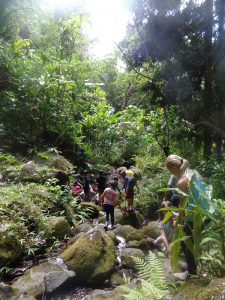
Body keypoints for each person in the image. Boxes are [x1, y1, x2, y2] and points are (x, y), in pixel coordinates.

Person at [165, 154, 209, 276]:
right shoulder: (195, 173)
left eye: (170, 170)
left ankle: (193, 274)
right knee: (197, 243)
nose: (171, 173)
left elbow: (182, 207)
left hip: (193, 216)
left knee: (186, 245)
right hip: (205, 214)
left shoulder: (182, 181)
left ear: (174, 168)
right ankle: (202, 268)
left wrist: (178, 220)